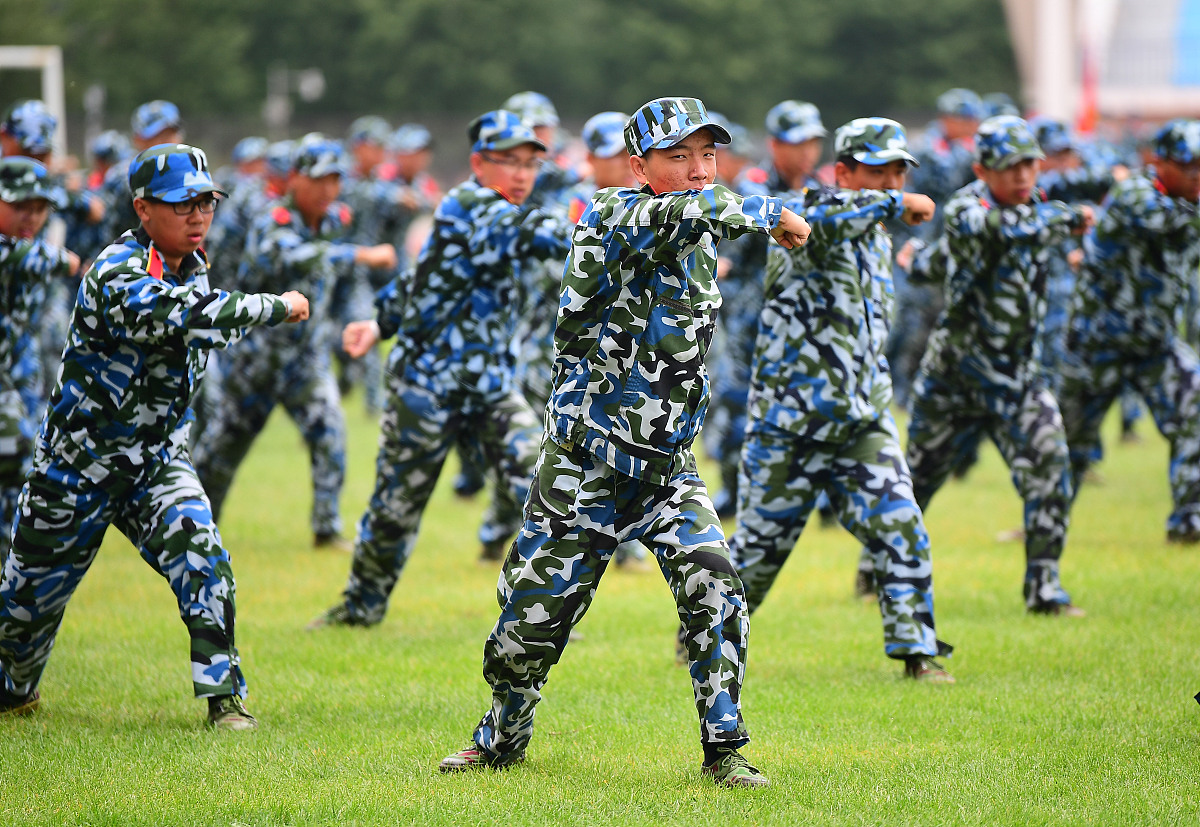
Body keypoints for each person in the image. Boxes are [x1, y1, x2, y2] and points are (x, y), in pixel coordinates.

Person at [437, 97, 810, 787]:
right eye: (679, 156)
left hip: (667, 466)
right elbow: (687, 210)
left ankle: (724, 746)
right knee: (528, 625)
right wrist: (768, 213)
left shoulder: (698, 230)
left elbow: (699, 219)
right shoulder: (613, 213)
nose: (699, 170)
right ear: (638, 167)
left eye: (708, 155)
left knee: (715, 583)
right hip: (588, 461)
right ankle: (501, 737)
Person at [0, 143, 310, 727]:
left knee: (204, 558)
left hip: (155, 460)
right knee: (21, 620)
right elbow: (189, 315)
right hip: (78, 465)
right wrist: (277, 305)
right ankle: (13, 687)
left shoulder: (193, 265)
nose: (198, 216)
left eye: (206, 203)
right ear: (143, 209)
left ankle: (224, 700)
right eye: (182, 205)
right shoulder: (117, 271)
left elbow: (202, 326)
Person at [308, 110, 571, 628]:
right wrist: (609, 220)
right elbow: (541, 231)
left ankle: (536, 621)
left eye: (530, 164)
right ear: (479, 162)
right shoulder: (471, 205)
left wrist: (380, 322)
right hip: (427, 387)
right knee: (397, 508)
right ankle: (361, 607)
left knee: (545, 487)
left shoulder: (488, 213)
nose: (521, 174)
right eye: (509, 162)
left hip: (491, 387)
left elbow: (424, 276)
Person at [729, 118, 953, 681]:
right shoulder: (811, 215)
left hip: (861, 421)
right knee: (755, 556)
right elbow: (822, 218)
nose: (891, 183)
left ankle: (917, 653)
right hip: (791, 424)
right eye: (878, 172)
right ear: (844, 173)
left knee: (901, 525)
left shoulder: (875, 234)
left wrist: (886, 209)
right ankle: (703, 640)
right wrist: (893, 204)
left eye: (899, 173)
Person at [903, 115, 1092, 615]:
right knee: (914, 485)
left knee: (1050, 468)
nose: (1022, 175)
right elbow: (997, 230)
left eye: (1030, 164)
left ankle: (1044, 588)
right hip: (956, 378)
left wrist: (920, 261)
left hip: (1017, 378)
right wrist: (1069, 218)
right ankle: (877, 572)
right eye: (1010, 167)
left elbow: (943, 261)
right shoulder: (969, 208)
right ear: (982, 170)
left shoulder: (1038, 205)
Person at [194, 134, 395, 550]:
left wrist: (352, 319)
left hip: (306, 357)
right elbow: (290, 256)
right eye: (318, 180)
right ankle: (196, 528)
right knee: (221, 449)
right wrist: (358, 253)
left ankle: (326, 527)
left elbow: (340, 284)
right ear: (295, 179)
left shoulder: (335, 220)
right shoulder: (273, 219)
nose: (327, 190)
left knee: (330, 430)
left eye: (335, 180)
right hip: (257, 359)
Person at [1058, 119, 1200, 543]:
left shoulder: (1188, 204)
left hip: (1155, 345)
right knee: (1069, 445)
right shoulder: (1136, 194)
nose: (1197, 174)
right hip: (1097, 343)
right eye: (1188, 165)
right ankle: (1043, 527)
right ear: (1160, 163)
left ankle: (1189, 523)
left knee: (1194, 413)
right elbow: (1173, 224)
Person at [706, 100, 828, 519]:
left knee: (813, 404)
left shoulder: (819, 187)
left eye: (813, 143)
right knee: (737, 404)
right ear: (775, 145)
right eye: (798, 143)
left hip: (803, 320)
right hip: (751, 320)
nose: (807, 153)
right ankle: (733, 490)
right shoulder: (754, 185)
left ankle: (821, 493)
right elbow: (759, 220)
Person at [0, 157, 79, 559]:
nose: (30, 217)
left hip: (18, 381)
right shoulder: (16, 252)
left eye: (39, 209)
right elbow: (52, 260)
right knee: (22, 459)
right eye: (19, 207)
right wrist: (66, 257)